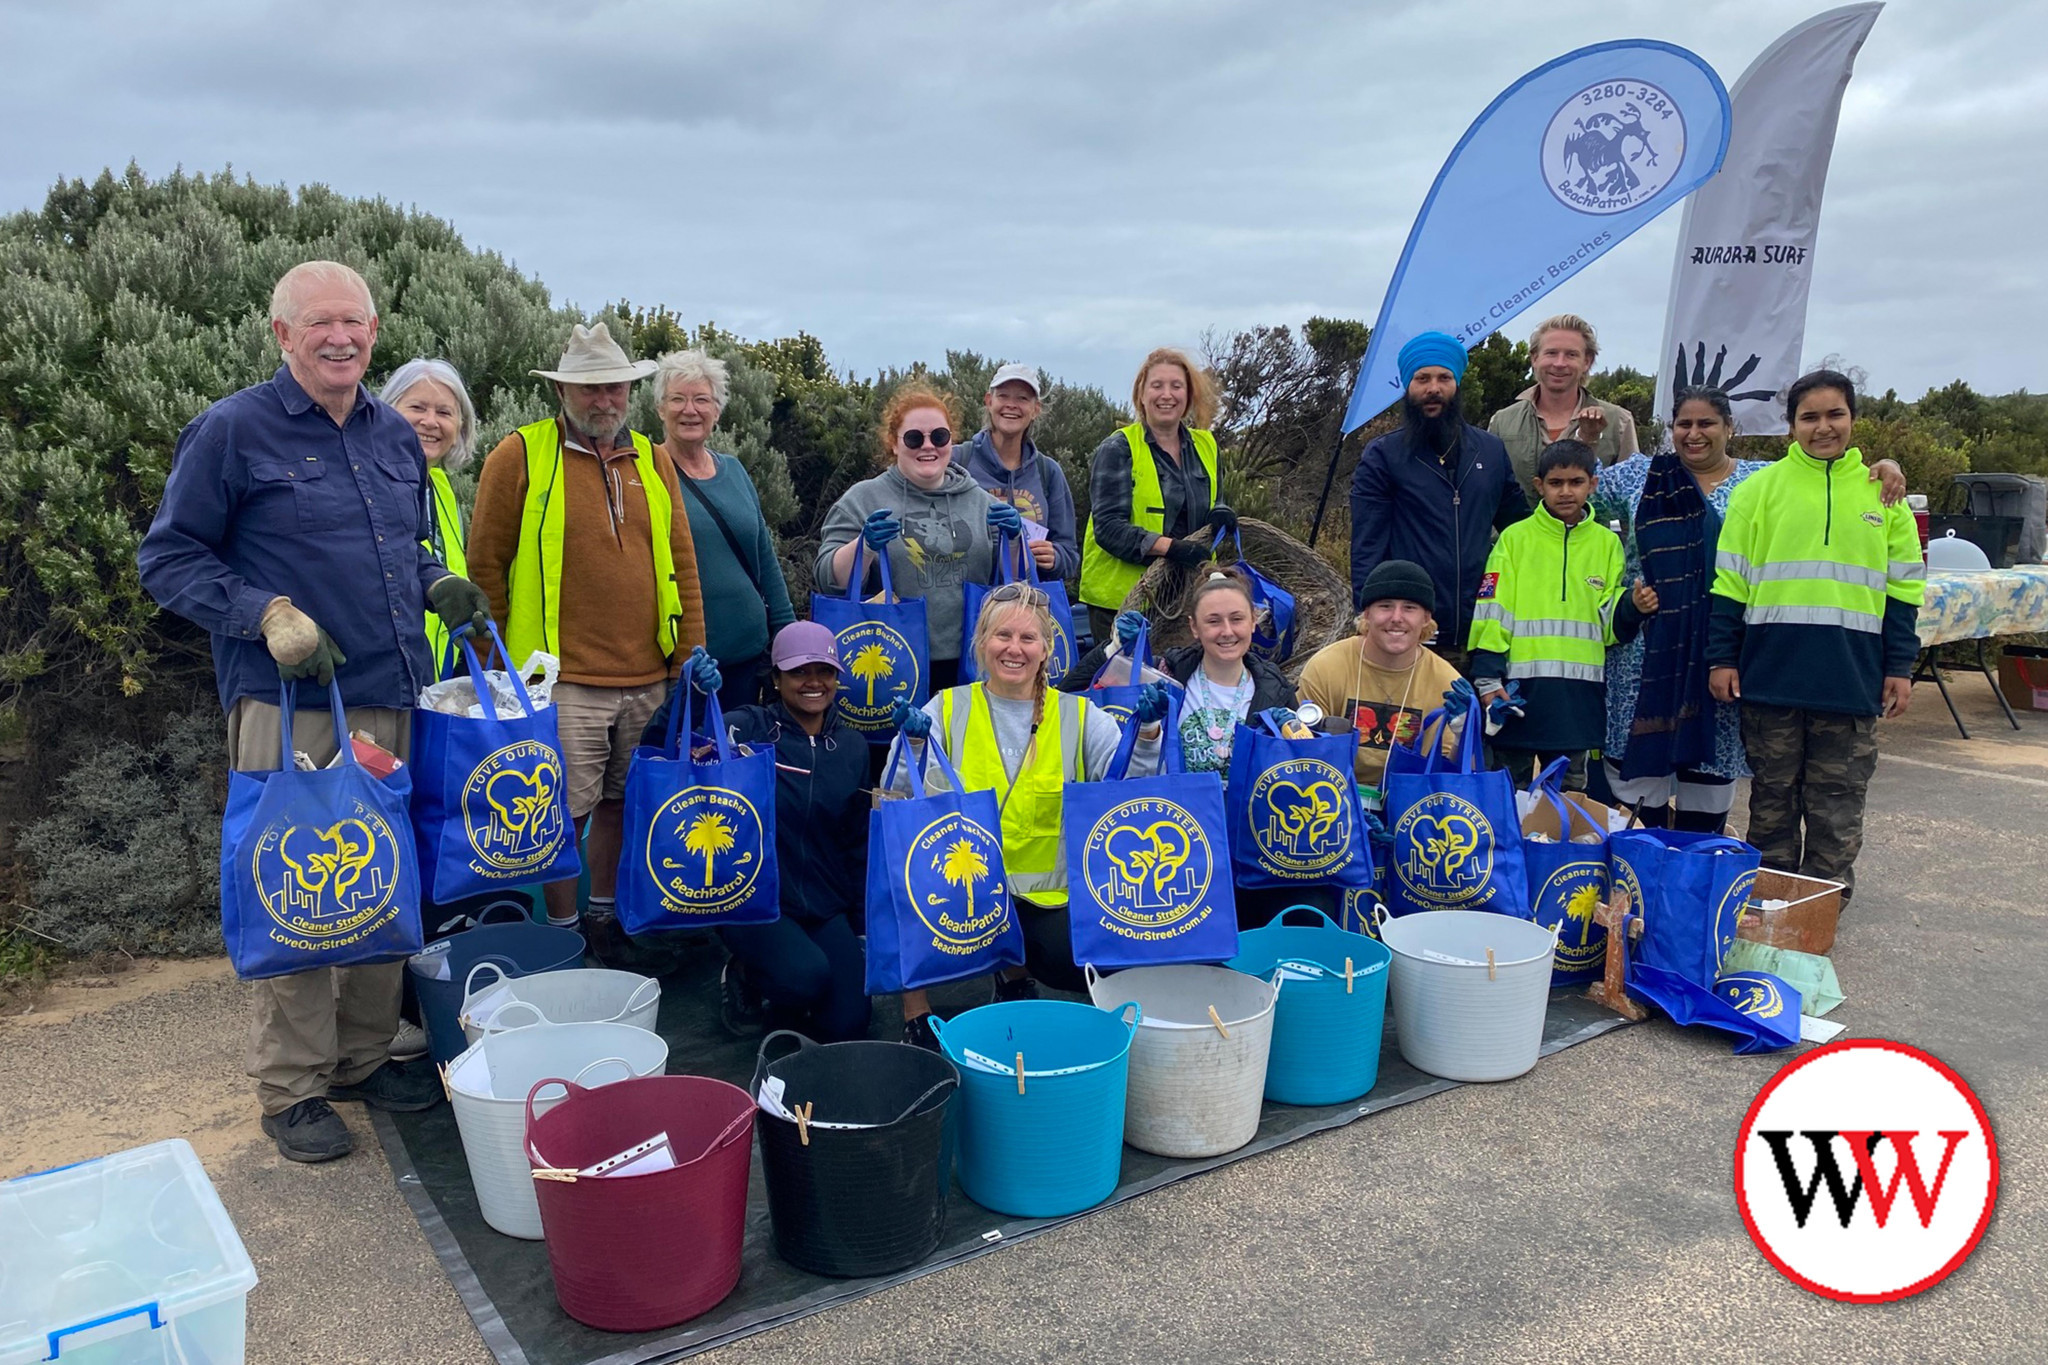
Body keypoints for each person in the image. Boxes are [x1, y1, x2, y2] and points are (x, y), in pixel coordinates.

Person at [138, 261, 492, 1163]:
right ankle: (292, 1086)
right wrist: (263, 613)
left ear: (375, 331)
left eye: (356, 323)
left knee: (379, 880)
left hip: (389, 693)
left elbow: (403, 546)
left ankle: (363, 1057)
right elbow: (169, 558)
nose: (341, 338)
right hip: (289, 703)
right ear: (282, 334)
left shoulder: (391, 432)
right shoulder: (232, 430)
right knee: (300, 887)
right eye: (320, 323)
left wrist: (436, 579)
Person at [466, 322, 708, 949]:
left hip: (648, 674)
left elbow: (682, 562)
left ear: (630, 391)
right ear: (562, 393)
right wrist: (499, 668)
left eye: (615, 388)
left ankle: (602, 918)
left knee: (623, 807)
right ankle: (563, 930)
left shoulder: (653, 460)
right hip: (559, 678)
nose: (604, 400)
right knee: (556, 814)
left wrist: (688, 657)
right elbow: (484, 565)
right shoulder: (519, 454)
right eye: (589, 389)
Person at [1598, 389, 1907, 832]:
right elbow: (1573, 488)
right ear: (1671, 430)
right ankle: (1637, 886)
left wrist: (1887, 468)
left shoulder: (1761, 480)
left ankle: (1698, 880)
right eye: (1684, 424)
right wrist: (1585, 437)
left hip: (1722, 653)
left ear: (1730, 428)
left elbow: (1825, 480)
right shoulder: (1638, 476)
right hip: (1646, 658)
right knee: (1636, 786)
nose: (1694, 434)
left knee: (1708, 777)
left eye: (1706, 424)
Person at [883, 584, 1169, 1048]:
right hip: (963, 890)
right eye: (1002, 635)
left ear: (1046, 650)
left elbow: (1131, 788)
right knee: (902, 861)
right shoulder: (948, 707)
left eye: (1028, 638)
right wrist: (914, 744)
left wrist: (1150, 732)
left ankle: (1014, 972)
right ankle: (917, 1011)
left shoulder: (1079, 715)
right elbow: (899, 793)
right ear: (981, 642)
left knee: (1082, 961)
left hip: (1045, 896)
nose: (1014, 649)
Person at [1709, 370, 1923, 899]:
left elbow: (1904, 593)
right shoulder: (1758, 491)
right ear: (1791, 426)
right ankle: (1772, 903)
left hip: (1852, 681)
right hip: (1770, 675)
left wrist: (1899, 667)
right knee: (1772, 799)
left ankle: (1823, 905)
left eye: (1835, 414)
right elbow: (1729, 584)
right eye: (1809, 417)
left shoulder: (1884, 494)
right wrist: (1722, 658)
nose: (1823, 427)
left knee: (1838, 803)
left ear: (1852, 418)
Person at [639, 624, 871, 1042]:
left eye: (825, 670)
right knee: (804, 978)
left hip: (824, 902)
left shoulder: (853, 747)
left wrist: (860, 924)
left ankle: (791, 975)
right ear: (777, 678)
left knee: (848, 1021)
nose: (814, 682)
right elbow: (664, 751)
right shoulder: (744, 729)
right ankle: (745, 973)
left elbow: (856, 840)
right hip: (752, 901)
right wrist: (687, 695)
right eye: (800, 672)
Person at [1468, 440, 1648, 791]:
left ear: (1592, 485)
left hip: (1577, 704)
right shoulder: (1514, 539)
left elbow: (1607, 625)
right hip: (1518, 699)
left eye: (1576, 482)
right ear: (1539, 486)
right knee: (1509, 802)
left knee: (1567, 810)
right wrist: (1488, 680)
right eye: (1555, 483)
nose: (1566, 491)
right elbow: (1492, 613)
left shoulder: (1607, 543)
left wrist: (1632, 607)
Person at [1349, 332, 1528, 673]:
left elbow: (1519, 529)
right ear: (1407, 386)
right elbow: (1366, 548)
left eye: (1444, 378)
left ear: (1457, 384)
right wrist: (1370, 616)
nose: (1434, 388)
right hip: (1412, 636)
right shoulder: (1383, 456)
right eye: (1422, 379)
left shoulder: (1490, 451)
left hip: (1485, 633)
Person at [815, 382, 1001, 693]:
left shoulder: (981, 501)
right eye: (914, 438)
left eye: (939, 436)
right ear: (894, 444)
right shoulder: (862, 499)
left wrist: (1013, 539)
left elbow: (1012, 578)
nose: (928, 446)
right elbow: (827, 578)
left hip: (974, 665)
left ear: (951, 441)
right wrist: (864, 547)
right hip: (892, 661)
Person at [653, 347, 795, 710]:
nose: (690, 410)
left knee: (740, 762)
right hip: (685, 668)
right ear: (659, 409)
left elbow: (764, 555)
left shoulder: (734, 470)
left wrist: (787, 633)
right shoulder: (647, 473)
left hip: (750, 663)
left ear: (717, 411)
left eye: (701, 399)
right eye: (677, 399)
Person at [1079, 348, 1236, 647]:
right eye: (1157, 385)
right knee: (1126, 690)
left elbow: (1215, 500)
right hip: (1122, 603)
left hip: (1188, 596)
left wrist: (1222, 512)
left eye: (1176, 386)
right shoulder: (1118, 448)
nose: (1167, 394)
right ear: (1141, 394)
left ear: (1189, 395)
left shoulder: (1206, 445)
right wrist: (1171, 549)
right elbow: (1109, 528)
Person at [1296, 560, 1465, 810]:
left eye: (1409, 608)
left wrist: (1463, 728)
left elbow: (1449, 773)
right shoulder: (1326, 667)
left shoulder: (1446, 681)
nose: (1396, 618)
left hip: (1410, 805)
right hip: (1329, 800)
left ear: (1426, 618)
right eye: (1385, 606)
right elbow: (1300, 753)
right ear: (1366, 613)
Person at [380, 359, 480, 680]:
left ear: (461, 425)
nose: (430, 421)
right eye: (417, 407)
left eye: (445, 412)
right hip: (388, 674)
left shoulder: (441, 488)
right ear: (386, 411)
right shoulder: (371, 484)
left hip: (438, 673)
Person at [953, 363, 1081, 581]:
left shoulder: (1049, 472)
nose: (1011, 405)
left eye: (1022, 398)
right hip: (968, 604)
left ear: (1035, 409)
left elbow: (1069, 556)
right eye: (1003, 396)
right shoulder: (958, 461)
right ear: (988, 401)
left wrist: (1055, 558)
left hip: (1027, 607)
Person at [1487, 314, 1640, 496]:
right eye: (1551, 353)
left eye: (1571, 355)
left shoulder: (1619, 421)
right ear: (1534, 358)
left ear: (1587, 361)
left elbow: (1632, 495)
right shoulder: (1502, 422)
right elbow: (1489, 493)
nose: (1559, 363)